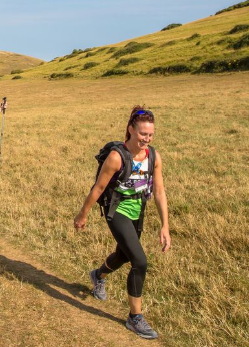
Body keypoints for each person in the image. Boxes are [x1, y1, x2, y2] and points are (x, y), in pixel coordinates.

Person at [73, 106, 171, 340]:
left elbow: (159, 191)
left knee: (124, 255)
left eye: (150, 134)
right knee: (140, 262)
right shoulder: (117, 157)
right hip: (116, 210)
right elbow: (98, 188)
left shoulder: (154, 157)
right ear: (131, 130)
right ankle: (135, 317)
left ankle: (98, 275)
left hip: (138, 210)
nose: (146, 139)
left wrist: (165, 226)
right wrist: (83, 214)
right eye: (142, 134)